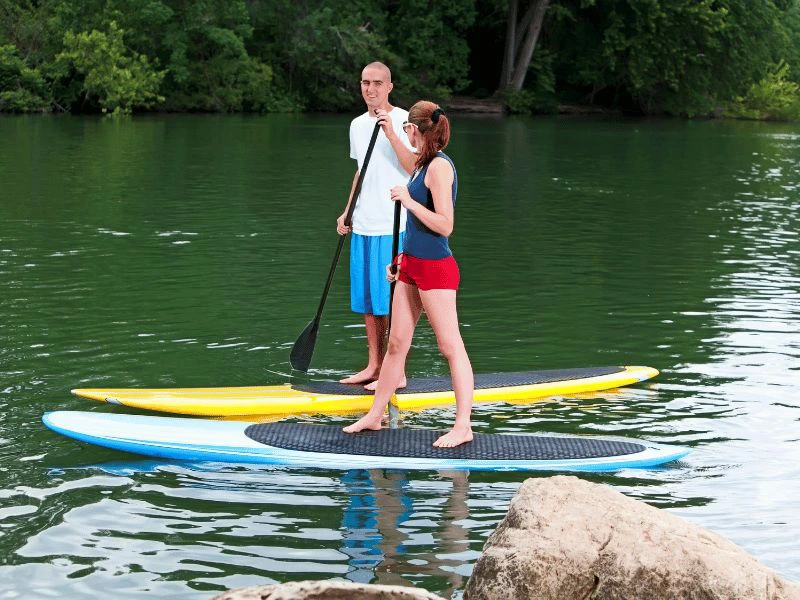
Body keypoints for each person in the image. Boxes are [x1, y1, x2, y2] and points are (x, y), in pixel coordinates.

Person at [344, 101, 474, 448]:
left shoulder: (440, 169)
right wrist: (401, 258)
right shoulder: (421, 164)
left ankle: (463, 426)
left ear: (418, 130)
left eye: (407, 130)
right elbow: (416, 224)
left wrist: (410, 201)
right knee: (397, 344)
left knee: (450, 346)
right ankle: (374, 415)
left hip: (436, 269)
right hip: (411, 266)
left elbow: (445, 225)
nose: (406, 135)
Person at [337, 62, 416, 389]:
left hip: (393, 223)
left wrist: (389, 132)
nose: (370, 89)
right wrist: (347, 211)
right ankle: (374, 366)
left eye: (377, 83)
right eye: (365, 83)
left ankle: (397, 372)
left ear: (389, 87)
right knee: (369, 300)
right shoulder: (356, 125)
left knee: (392, 301)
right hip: (364, 222)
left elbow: (413, 167)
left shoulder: (404, 121)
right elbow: (361, 171)